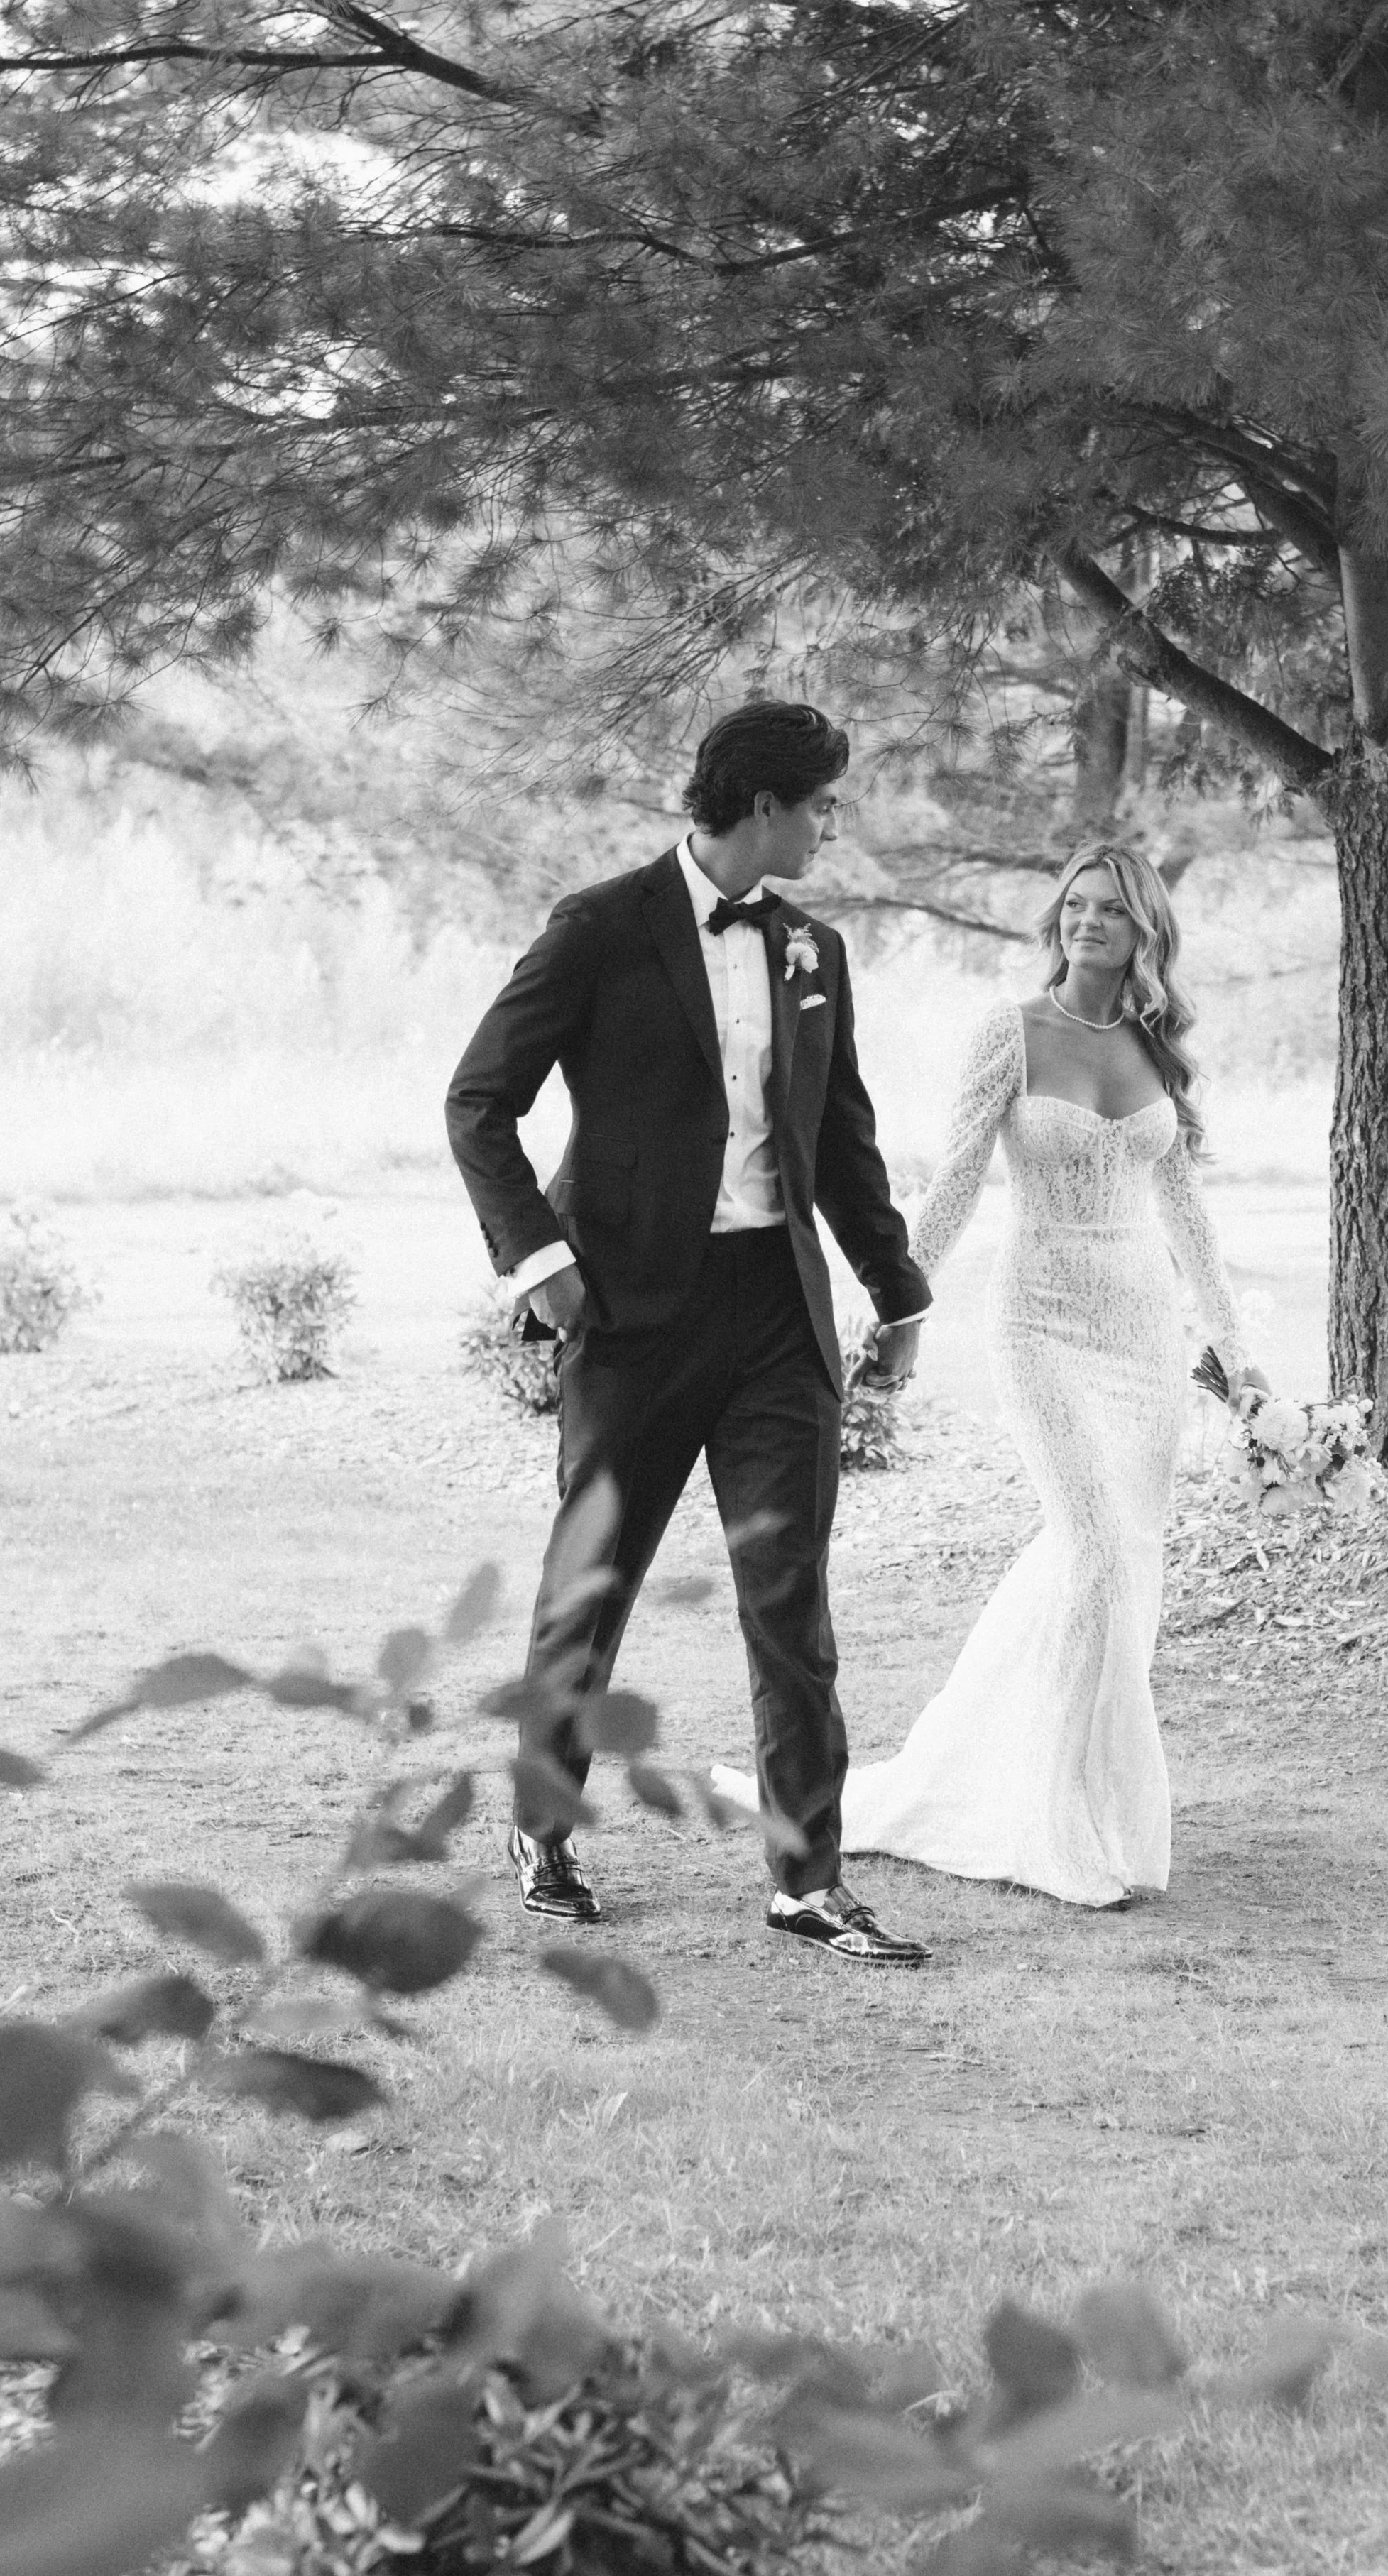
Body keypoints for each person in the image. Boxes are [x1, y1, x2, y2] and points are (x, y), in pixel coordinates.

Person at [446, 701, 932, 1964]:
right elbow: (479, 1099)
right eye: (822, 802)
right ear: (765, 805)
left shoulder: (816, 949)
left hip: (777, 1314)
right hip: (632, 1314)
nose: (832, 823)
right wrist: (541, 1262)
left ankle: (808, 1880)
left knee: (791, 1603)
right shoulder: (600, 927)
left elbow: (840, 1138)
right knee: (592, 1583)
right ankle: (543, 1826)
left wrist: (897, 1289)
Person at [840, 840, 1264, 1907]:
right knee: (1093, 1550)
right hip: (1039, 1321)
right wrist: (900, 1305)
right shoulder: (1013, 1031)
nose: (1087, 923)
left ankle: (1085, 1798)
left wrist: (1237, 1355)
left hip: (1144, 1335)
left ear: (1144, 930)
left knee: (1125, 1566)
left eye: (1110, 910)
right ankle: (1051, 1828)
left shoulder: (1156, 1045)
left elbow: (1189, 1215)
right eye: (1075, 906)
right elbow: (953, 1183)